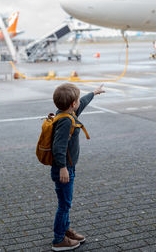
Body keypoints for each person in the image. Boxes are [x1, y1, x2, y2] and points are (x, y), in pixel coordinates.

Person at [51, 83, 105, 251]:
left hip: (66, 168)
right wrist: (63, 168)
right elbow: (58, 148)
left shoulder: (66, 114)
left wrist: (93, 93)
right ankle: (59, 239)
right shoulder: (66, 121)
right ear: (73, 104)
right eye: (77, 101)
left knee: (66, 203)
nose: (79, 103)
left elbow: (82, 101)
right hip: (63, 170)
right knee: (64, 205)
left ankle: (65, 231)